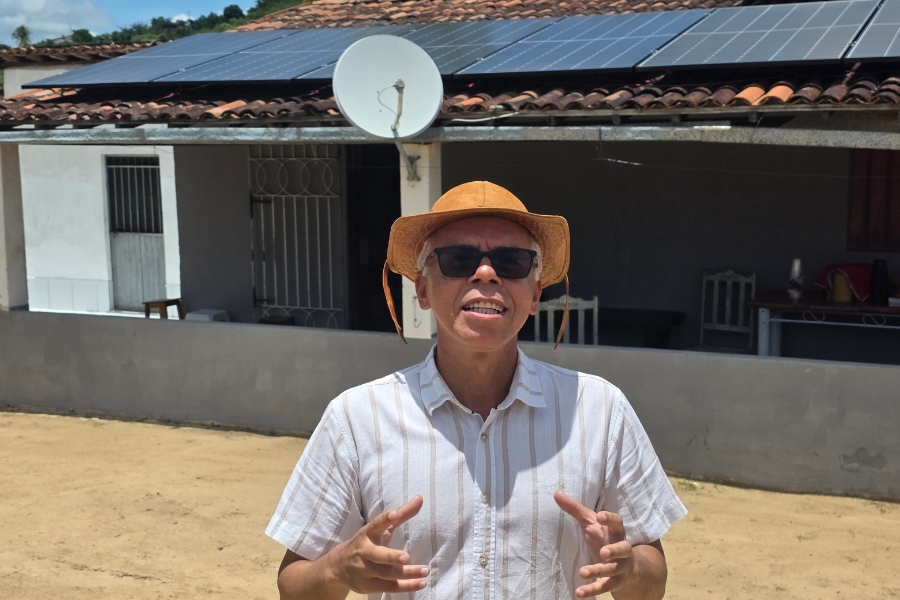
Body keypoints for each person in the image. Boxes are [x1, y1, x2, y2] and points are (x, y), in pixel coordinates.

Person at [267, 181, 687, 600]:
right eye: (458, 259)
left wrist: (628, 568)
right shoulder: (358, 418)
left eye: (512, 261)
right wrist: (337, 570)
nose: (486, 273)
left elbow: (651, 582)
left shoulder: (598, 410)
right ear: (423, 289)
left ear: (536, 293)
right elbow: (295, 584)